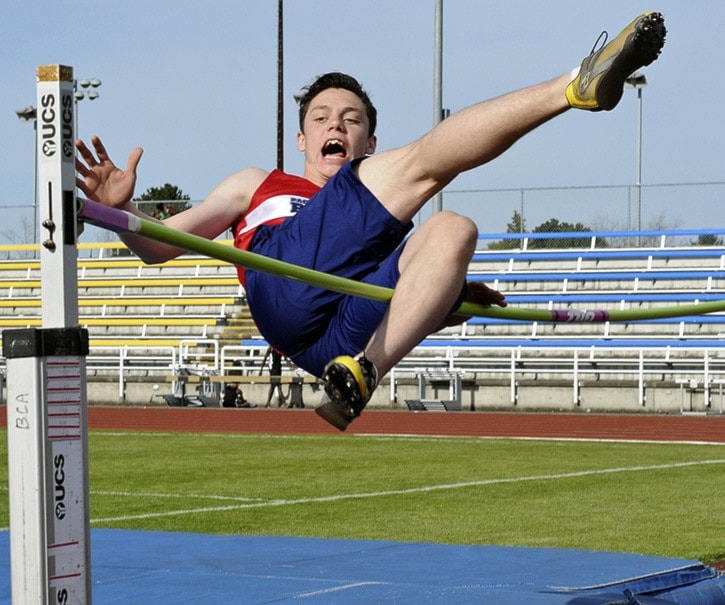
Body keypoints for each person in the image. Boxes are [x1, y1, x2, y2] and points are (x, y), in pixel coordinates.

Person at [76, 12, 666, 431]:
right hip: (282, 293)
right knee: (426, 167)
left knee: (453, 230)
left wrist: (438, 298)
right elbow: (158, 250)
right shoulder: (259, 184)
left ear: (368, 141)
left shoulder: (371, 205)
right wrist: (122, 213)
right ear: (303, 137)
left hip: (337, 345)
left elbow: (406, 290)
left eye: (351, 119)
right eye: (323, 117)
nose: (337, 126)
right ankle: (572, 86)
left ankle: (358, 381)